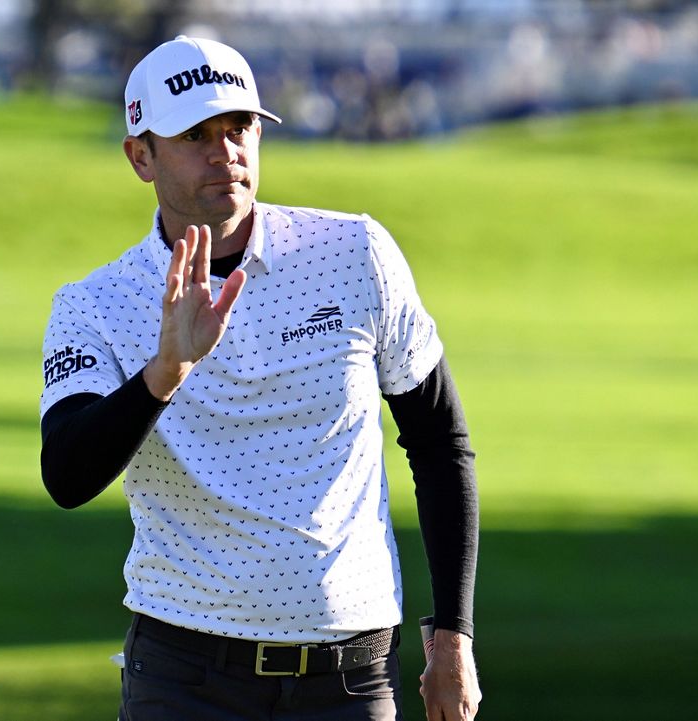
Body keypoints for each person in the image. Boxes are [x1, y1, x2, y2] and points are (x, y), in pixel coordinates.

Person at [39, 35, 481, 721]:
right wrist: (164, 372)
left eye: (240, 126)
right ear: (140, 155)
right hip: (185, 679)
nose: (227, 151)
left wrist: (453, 634)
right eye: (195, 133)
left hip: (350, 681)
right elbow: (67, 474)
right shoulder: (96, 303)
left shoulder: (355, 253)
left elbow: (438, 440)